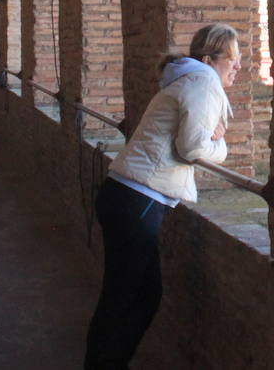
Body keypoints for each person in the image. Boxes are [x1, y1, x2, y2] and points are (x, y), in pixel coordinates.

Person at [83, 22, 242, 369]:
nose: (238, 66)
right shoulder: (204, 81)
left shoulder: (189, 79)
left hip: (127, 196)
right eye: (233, 58)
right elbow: (192, 147)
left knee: (139, 295)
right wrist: (222, 146)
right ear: (210, 58)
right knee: (125, 297)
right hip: (138, 198)